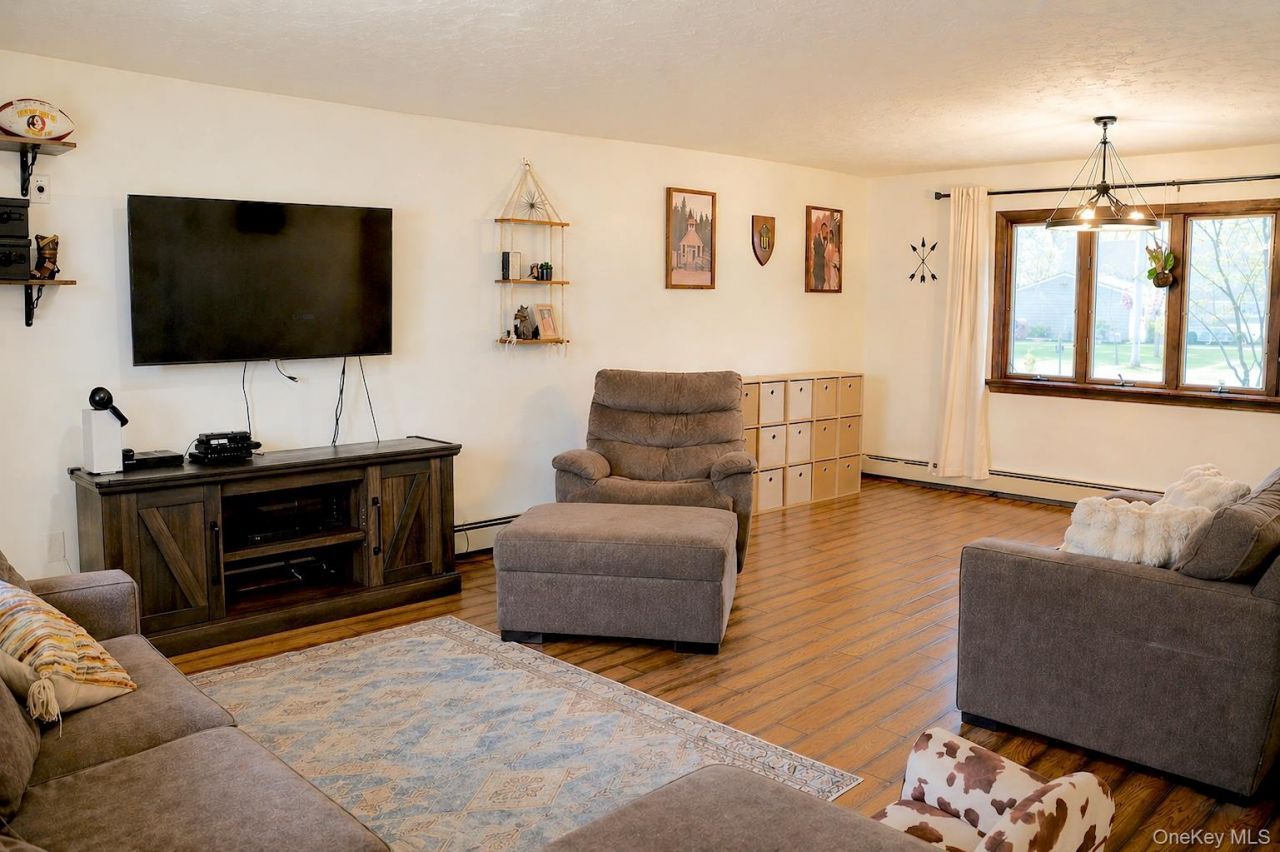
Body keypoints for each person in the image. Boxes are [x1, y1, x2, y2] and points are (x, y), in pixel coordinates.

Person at [812, 222, 828, 290]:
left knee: (822, 280)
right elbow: (815, 248)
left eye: (825, 229)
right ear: (821, 229)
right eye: (823, 228)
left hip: (822, 263)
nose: (824, 230)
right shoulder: (817, 236)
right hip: (817, 261)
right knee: (816, 279)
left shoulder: (827, 238)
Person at [825, 222, 839, 290]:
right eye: (829, 235)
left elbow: (836, 256)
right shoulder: (828, 245)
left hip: (834, 265)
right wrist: (828, 262)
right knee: (830, 279)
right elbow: (826, 255)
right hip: (829, 265)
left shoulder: (835, 245)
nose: (830, 236)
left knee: (834, 278)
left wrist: (834, 263)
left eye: (831, 235)